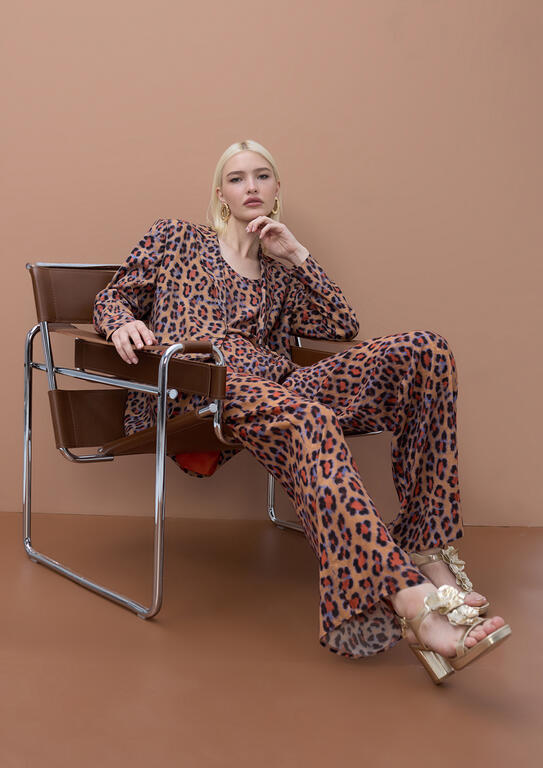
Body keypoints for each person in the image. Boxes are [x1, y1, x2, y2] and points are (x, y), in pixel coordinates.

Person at [93, 139, 511, 683]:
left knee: (425, 350)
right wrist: (122, 321)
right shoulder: (176, 237)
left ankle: (425, 543)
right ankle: (411, 601)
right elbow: (112, 296)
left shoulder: (279, 271)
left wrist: (297, 255)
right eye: (237, 178)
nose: (250, 187)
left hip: (279, 387)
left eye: (262, 176)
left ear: (276, 189)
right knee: (308, 417)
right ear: (220, 194)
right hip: (200, 387)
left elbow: (342, 325)